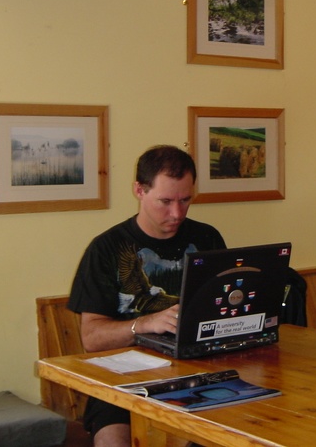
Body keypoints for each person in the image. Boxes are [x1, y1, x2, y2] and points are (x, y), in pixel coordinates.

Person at [68, 145, 226, 447]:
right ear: (139, 190)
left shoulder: (207, 238)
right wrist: (144, 324)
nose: (177, 213)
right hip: (122, 383)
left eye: (186, 200)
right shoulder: (106, 249)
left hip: (198, 374)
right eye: (165, 201)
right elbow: (91, 338)